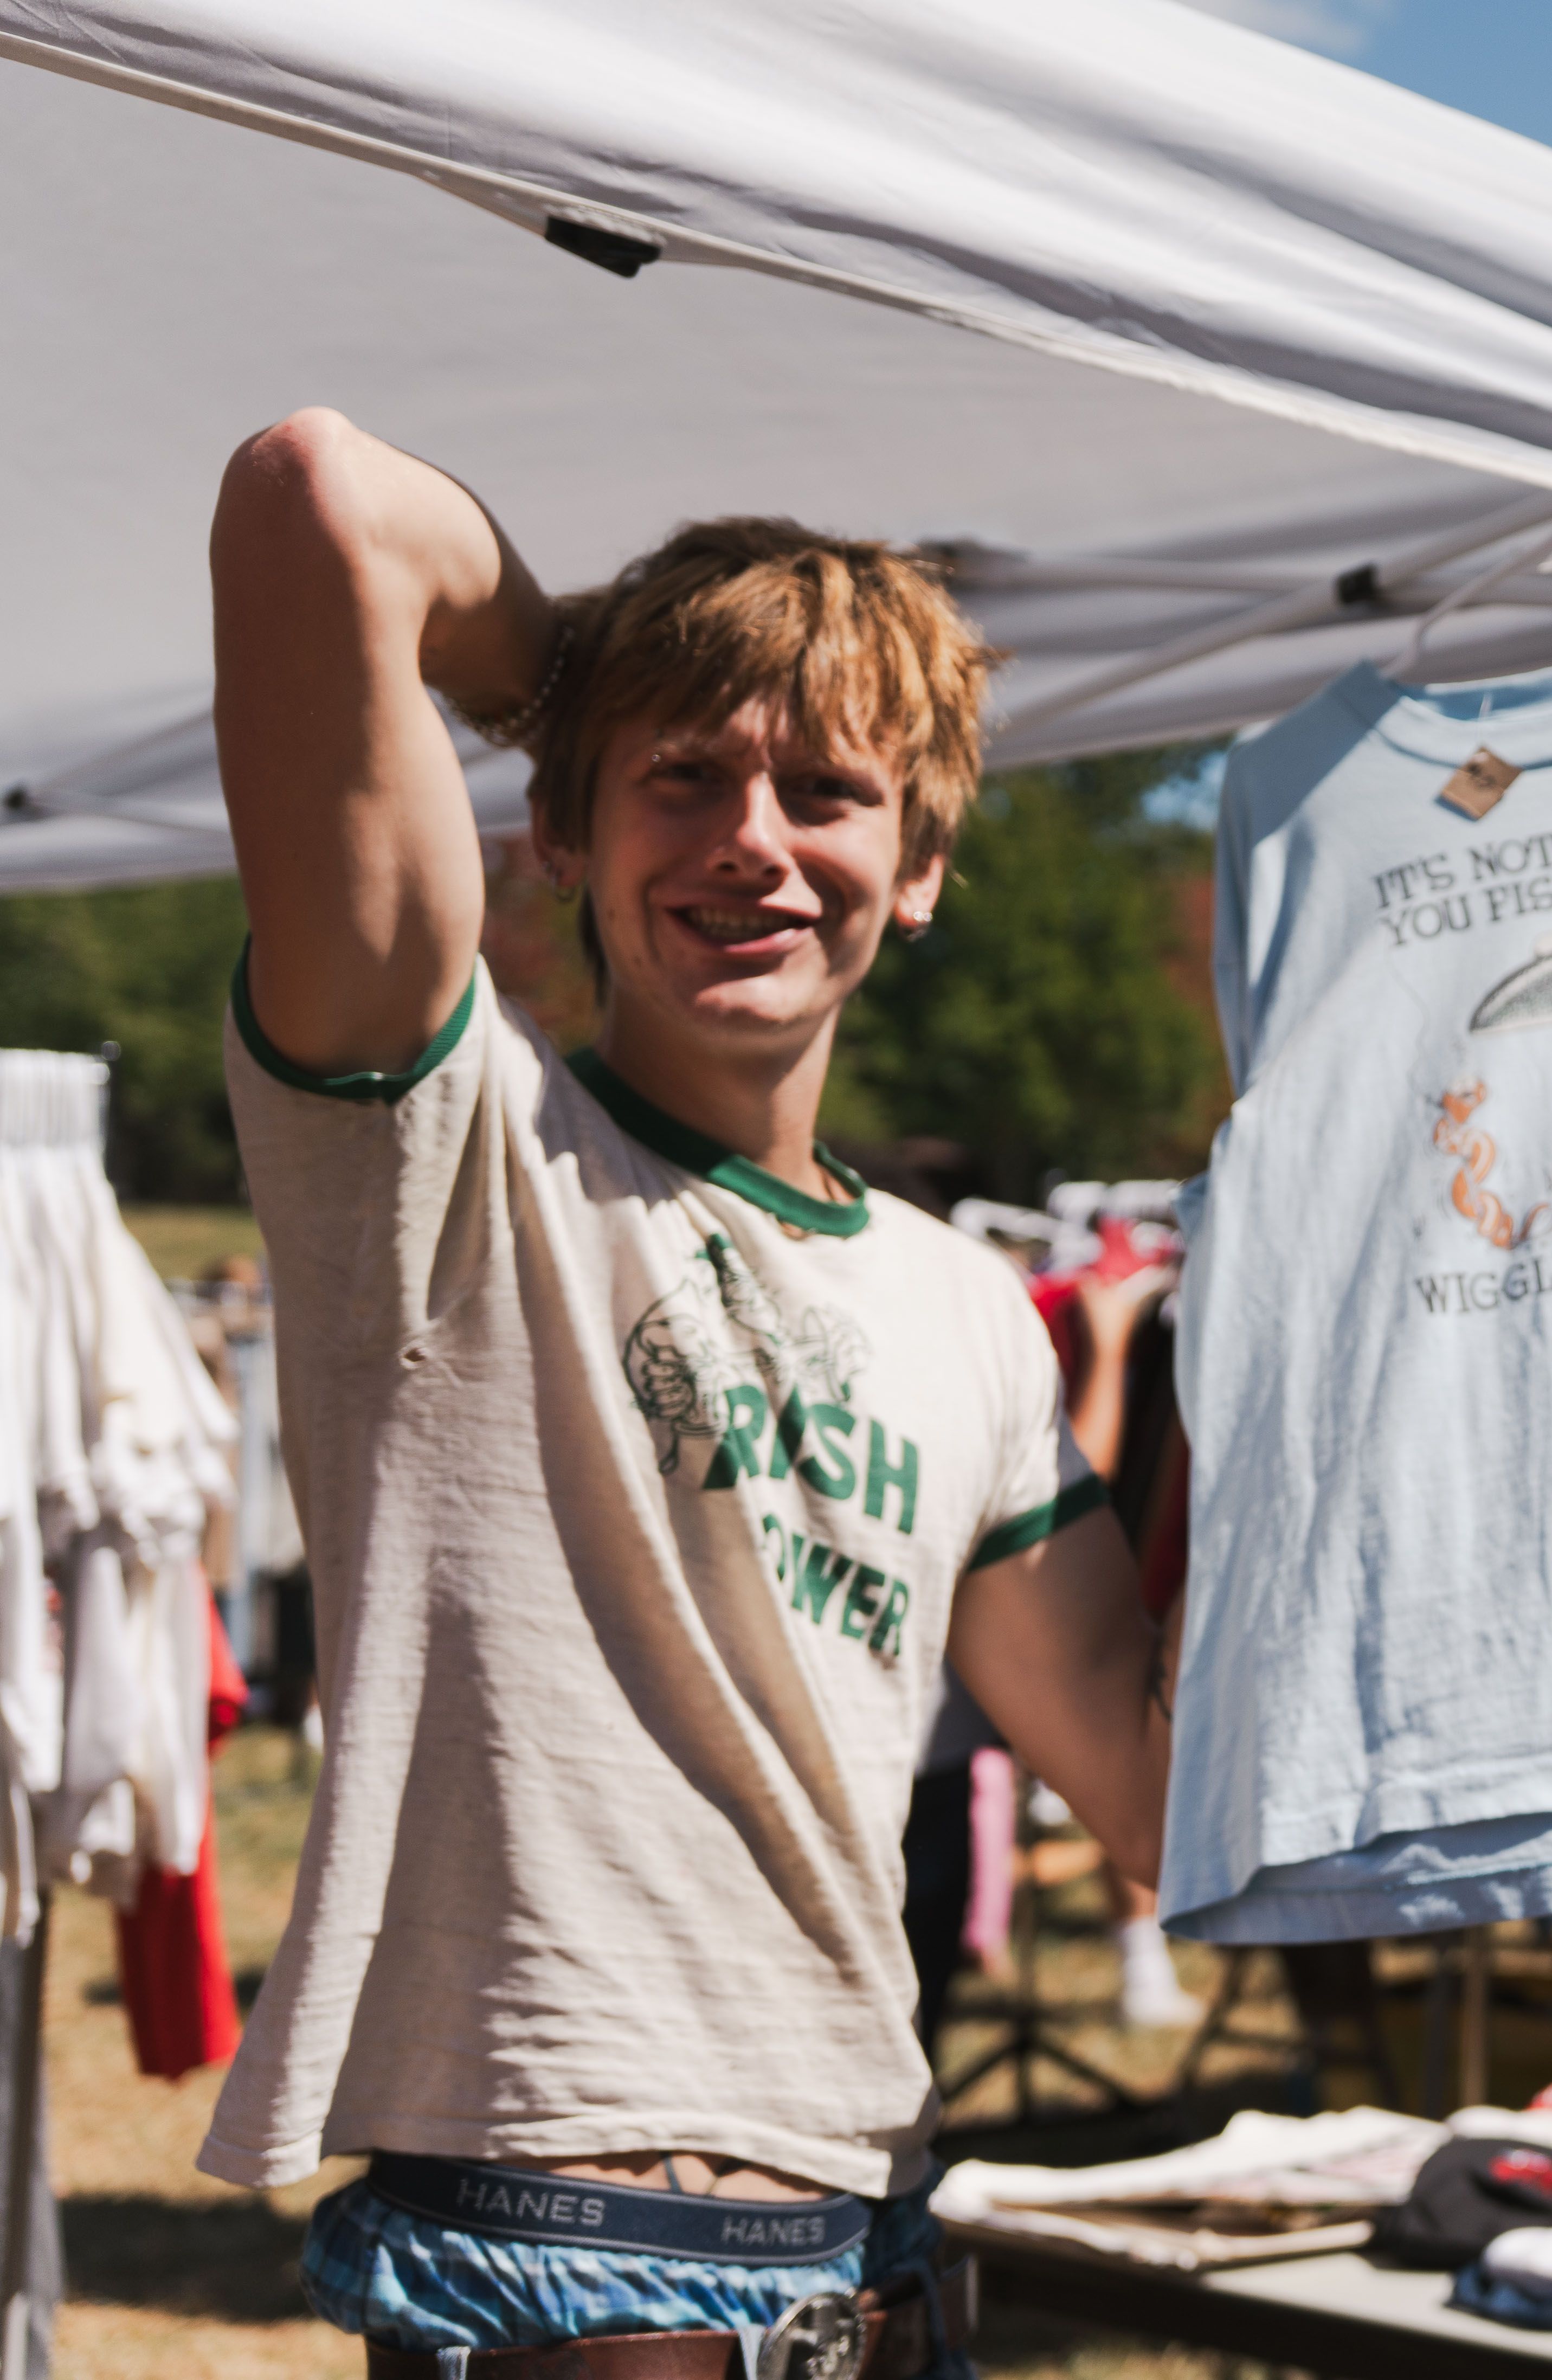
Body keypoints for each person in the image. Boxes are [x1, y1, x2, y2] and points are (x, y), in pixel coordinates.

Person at [203, 410, 1174, 2373]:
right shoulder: (447, 1143)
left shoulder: (971, 1305)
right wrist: (592, 682)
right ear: (560, 833)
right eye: (682, 779)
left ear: (917, 870)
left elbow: (1153, 1788)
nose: (752, 837)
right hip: (559, 2257)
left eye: (827, 789)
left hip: (875, 2246)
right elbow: (321, 500)